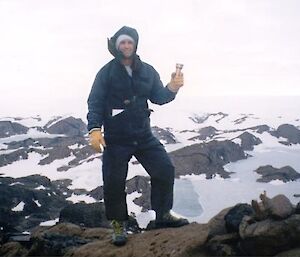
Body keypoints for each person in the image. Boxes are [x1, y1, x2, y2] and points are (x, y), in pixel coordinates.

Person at [87, 26, 188, 246]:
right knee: (114, 181)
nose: (126, 46)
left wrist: (172, 88)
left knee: (164, 169)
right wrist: (94, 129)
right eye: (122, 42)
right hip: (116, 137)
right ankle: (118, 225)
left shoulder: (147, 71)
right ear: (116, 45)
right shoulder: (106, 72)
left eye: (129, 42)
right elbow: (94, 101)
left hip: (143, 135)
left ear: (135, 45)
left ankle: (163, 215)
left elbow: (159, 97)